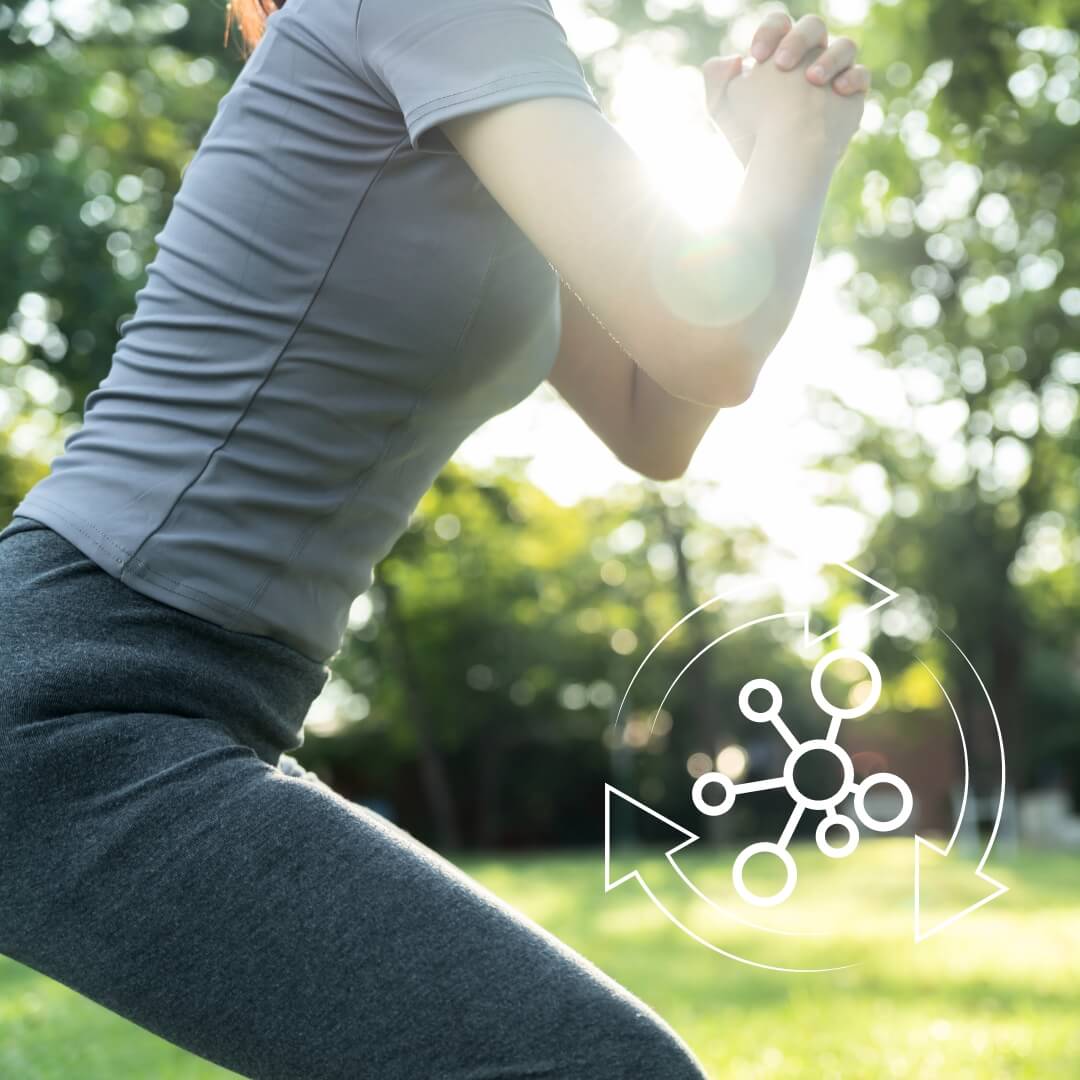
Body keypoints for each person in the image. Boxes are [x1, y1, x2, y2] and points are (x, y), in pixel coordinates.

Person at [0, 2, 868, 1076]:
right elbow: (716, 342)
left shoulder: (494, 67)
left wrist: (763, 167)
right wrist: (797, 142)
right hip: (78, 692)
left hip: (202, 695)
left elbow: (656, 417)